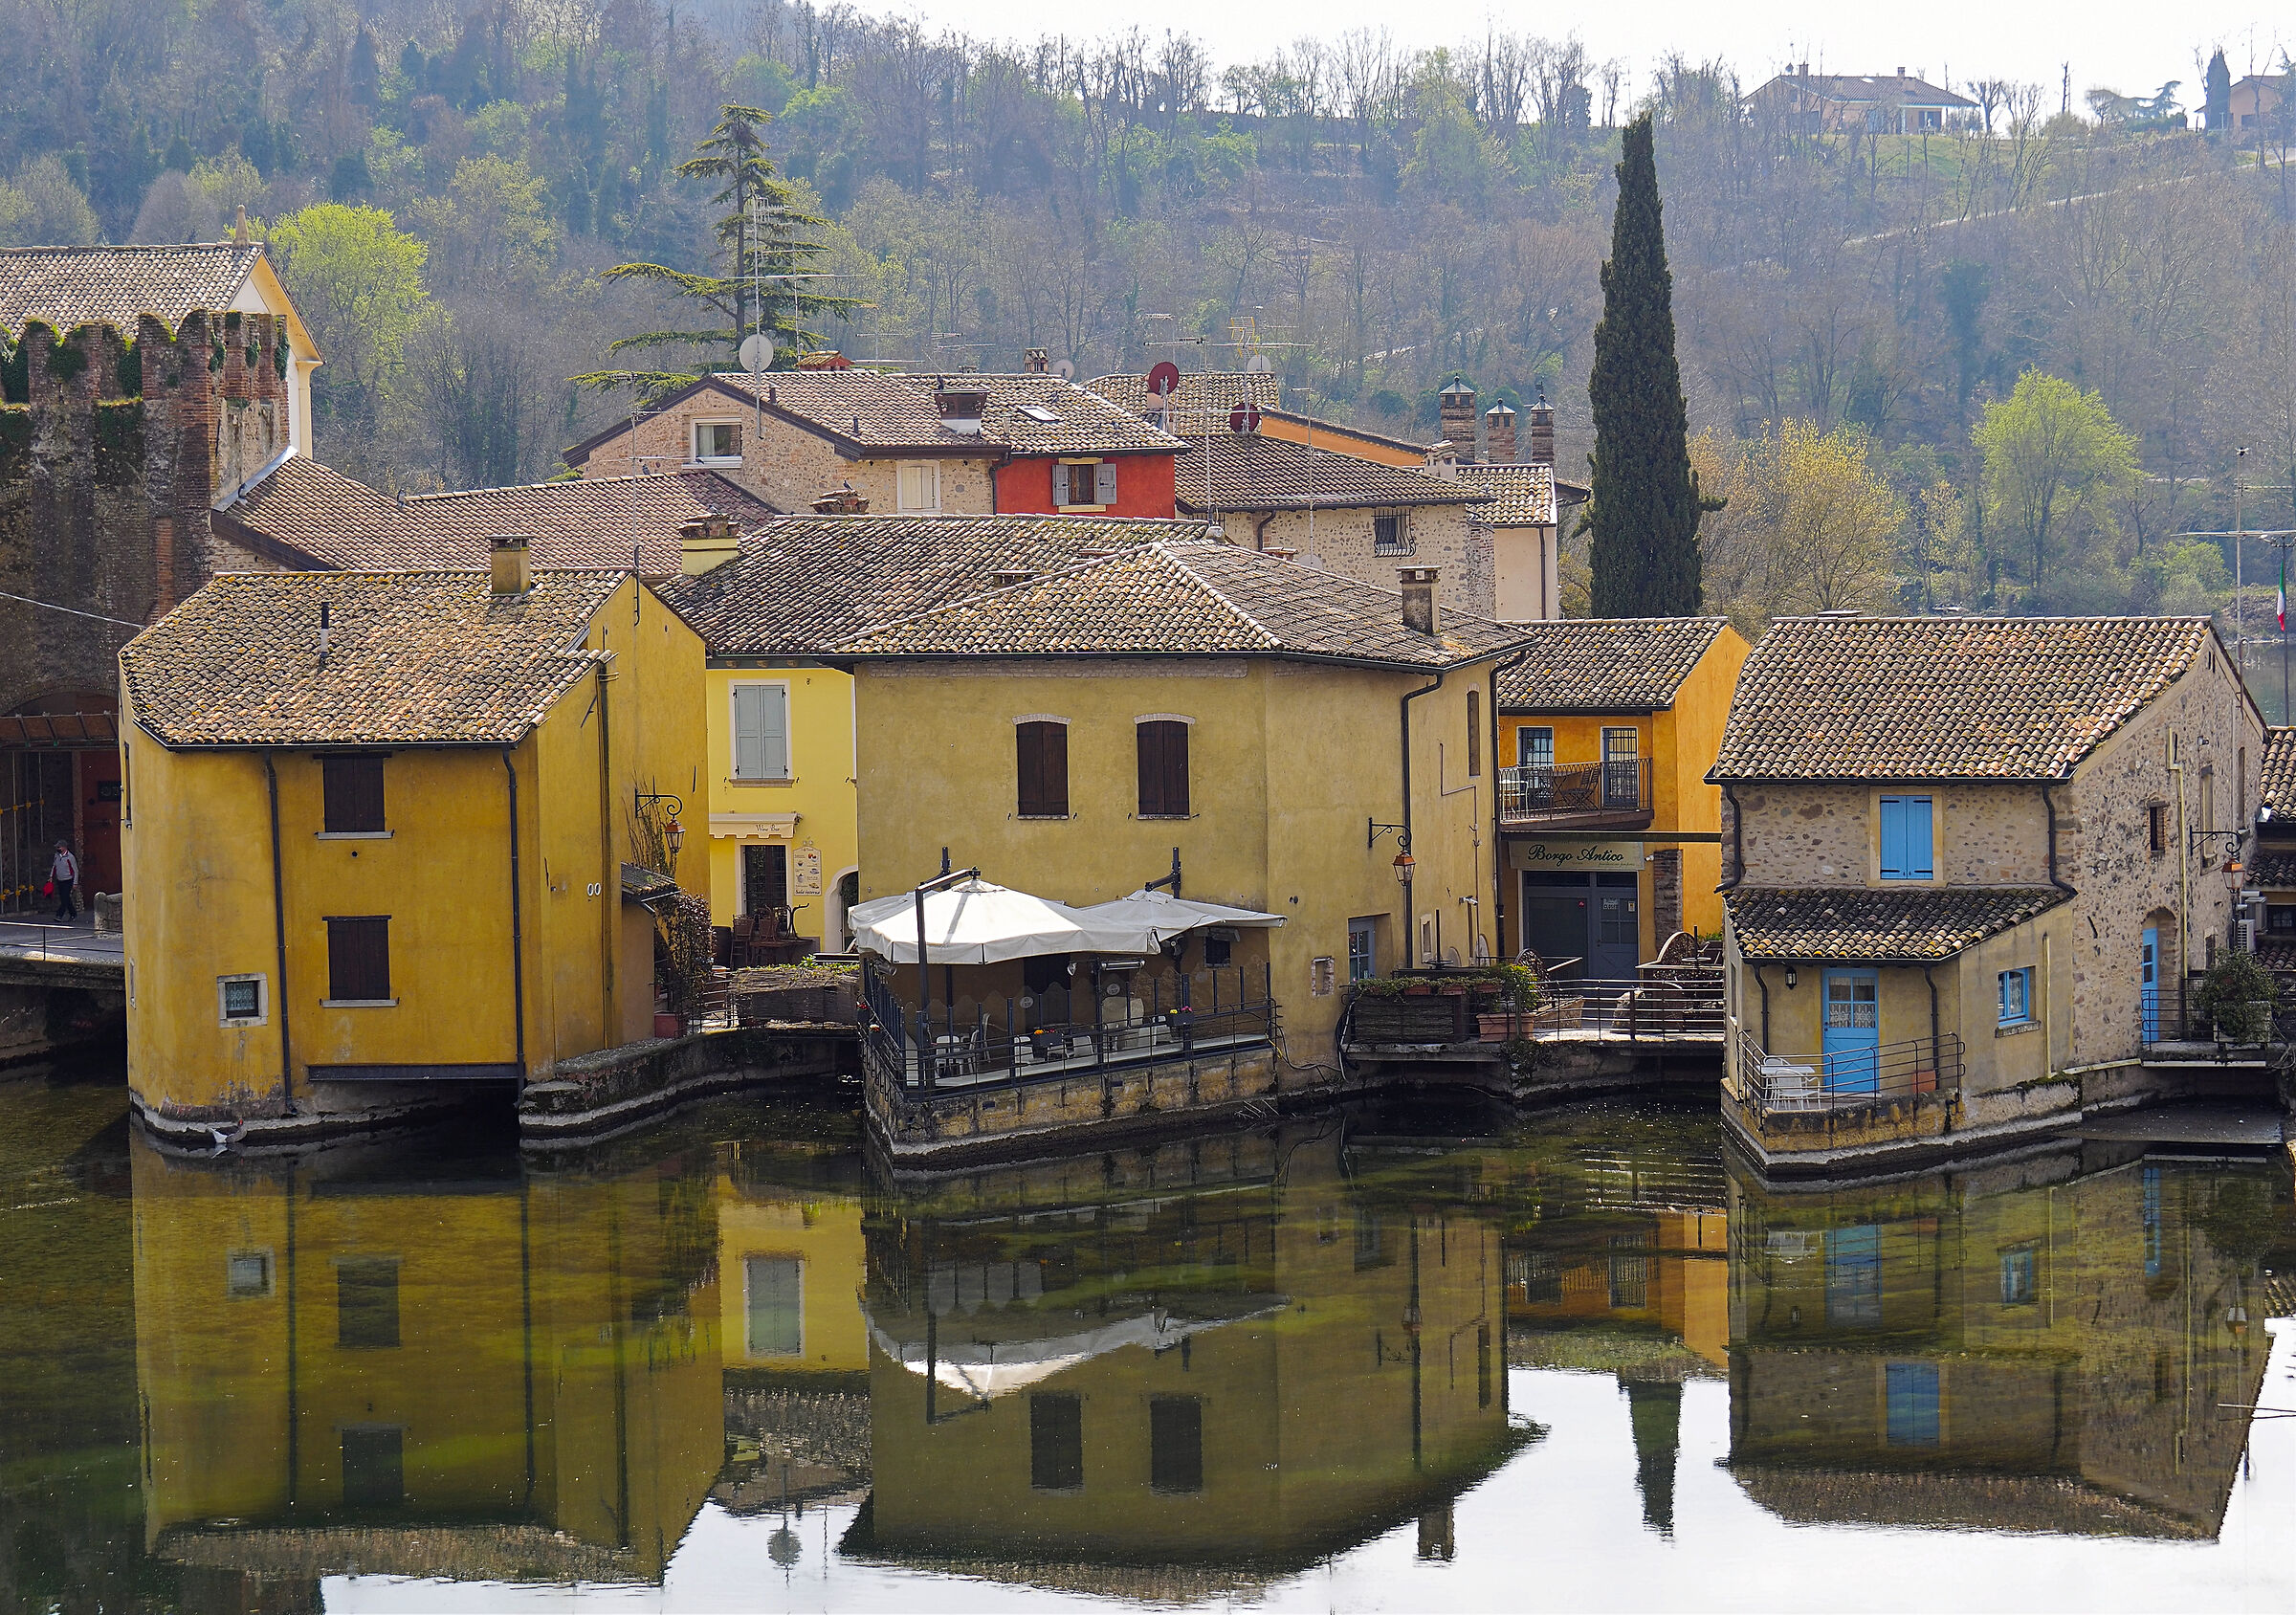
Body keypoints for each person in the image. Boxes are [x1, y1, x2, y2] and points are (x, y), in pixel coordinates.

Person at [50, 841, 77, 919]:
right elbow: (54, 866)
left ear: (64, 847)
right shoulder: (56, 856)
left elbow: (75, 870)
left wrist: (75, 882)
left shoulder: (70, 857)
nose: (58, 849)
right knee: (65, 898)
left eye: (59, 847)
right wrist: (51, 876)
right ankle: (73, 913)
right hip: (60, 880)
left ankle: (59, 915)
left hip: (68, 880)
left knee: (65, 898)